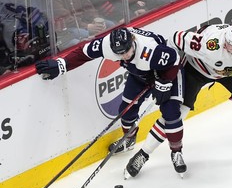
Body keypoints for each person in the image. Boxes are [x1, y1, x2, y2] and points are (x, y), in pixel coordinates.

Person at [126, 21, 232, 178]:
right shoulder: (210, 42)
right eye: (228, 41)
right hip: (195, 70)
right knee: (177, 114)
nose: (228, 46)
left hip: (228, 73)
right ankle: (143, 154)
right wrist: (168, 71)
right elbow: (175, 38)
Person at [35, 27, 187, 177]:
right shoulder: (107, 44)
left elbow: (174, 59)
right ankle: (129, 139)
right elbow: (83, 53)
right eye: (119, 53)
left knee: (171, 114)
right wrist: (62, 64)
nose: (123, 56)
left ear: (132, 41)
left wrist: (165, 82)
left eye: (126, 51)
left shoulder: (150, 50)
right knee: (126, 112)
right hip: (140, 75)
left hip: (166, 73)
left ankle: (176, 152)